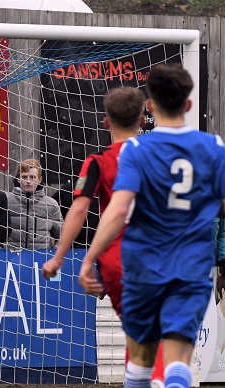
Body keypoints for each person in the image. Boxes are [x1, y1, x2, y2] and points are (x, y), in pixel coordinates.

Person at [77, 64, 225, 388]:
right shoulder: (213, 146)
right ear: (188, 104)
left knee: (139, 359)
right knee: (179, 356)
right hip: (189, 267)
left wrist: (88, 258)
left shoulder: (136, 150)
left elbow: (117, 210)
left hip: (142, 268)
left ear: (149, 107)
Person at [43, 86, 145, 317]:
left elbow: (79, 208)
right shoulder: (161, 157)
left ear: (106, 122)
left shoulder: (99, 162)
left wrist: (58, 258)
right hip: (160, 258)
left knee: (141, 339)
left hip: (119, 261)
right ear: (141, 120)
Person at [6, 159, 62, 250]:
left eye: (32, 177)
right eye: (24, 177)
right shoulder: (6, 200)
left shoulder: (51, 204)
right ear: (18, 179)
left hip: (41, 258)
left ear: (39, 179)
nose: (28, 181)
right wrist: (1, 250)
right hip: (11, 257)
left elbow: (62, 235)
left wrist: (54, 253)